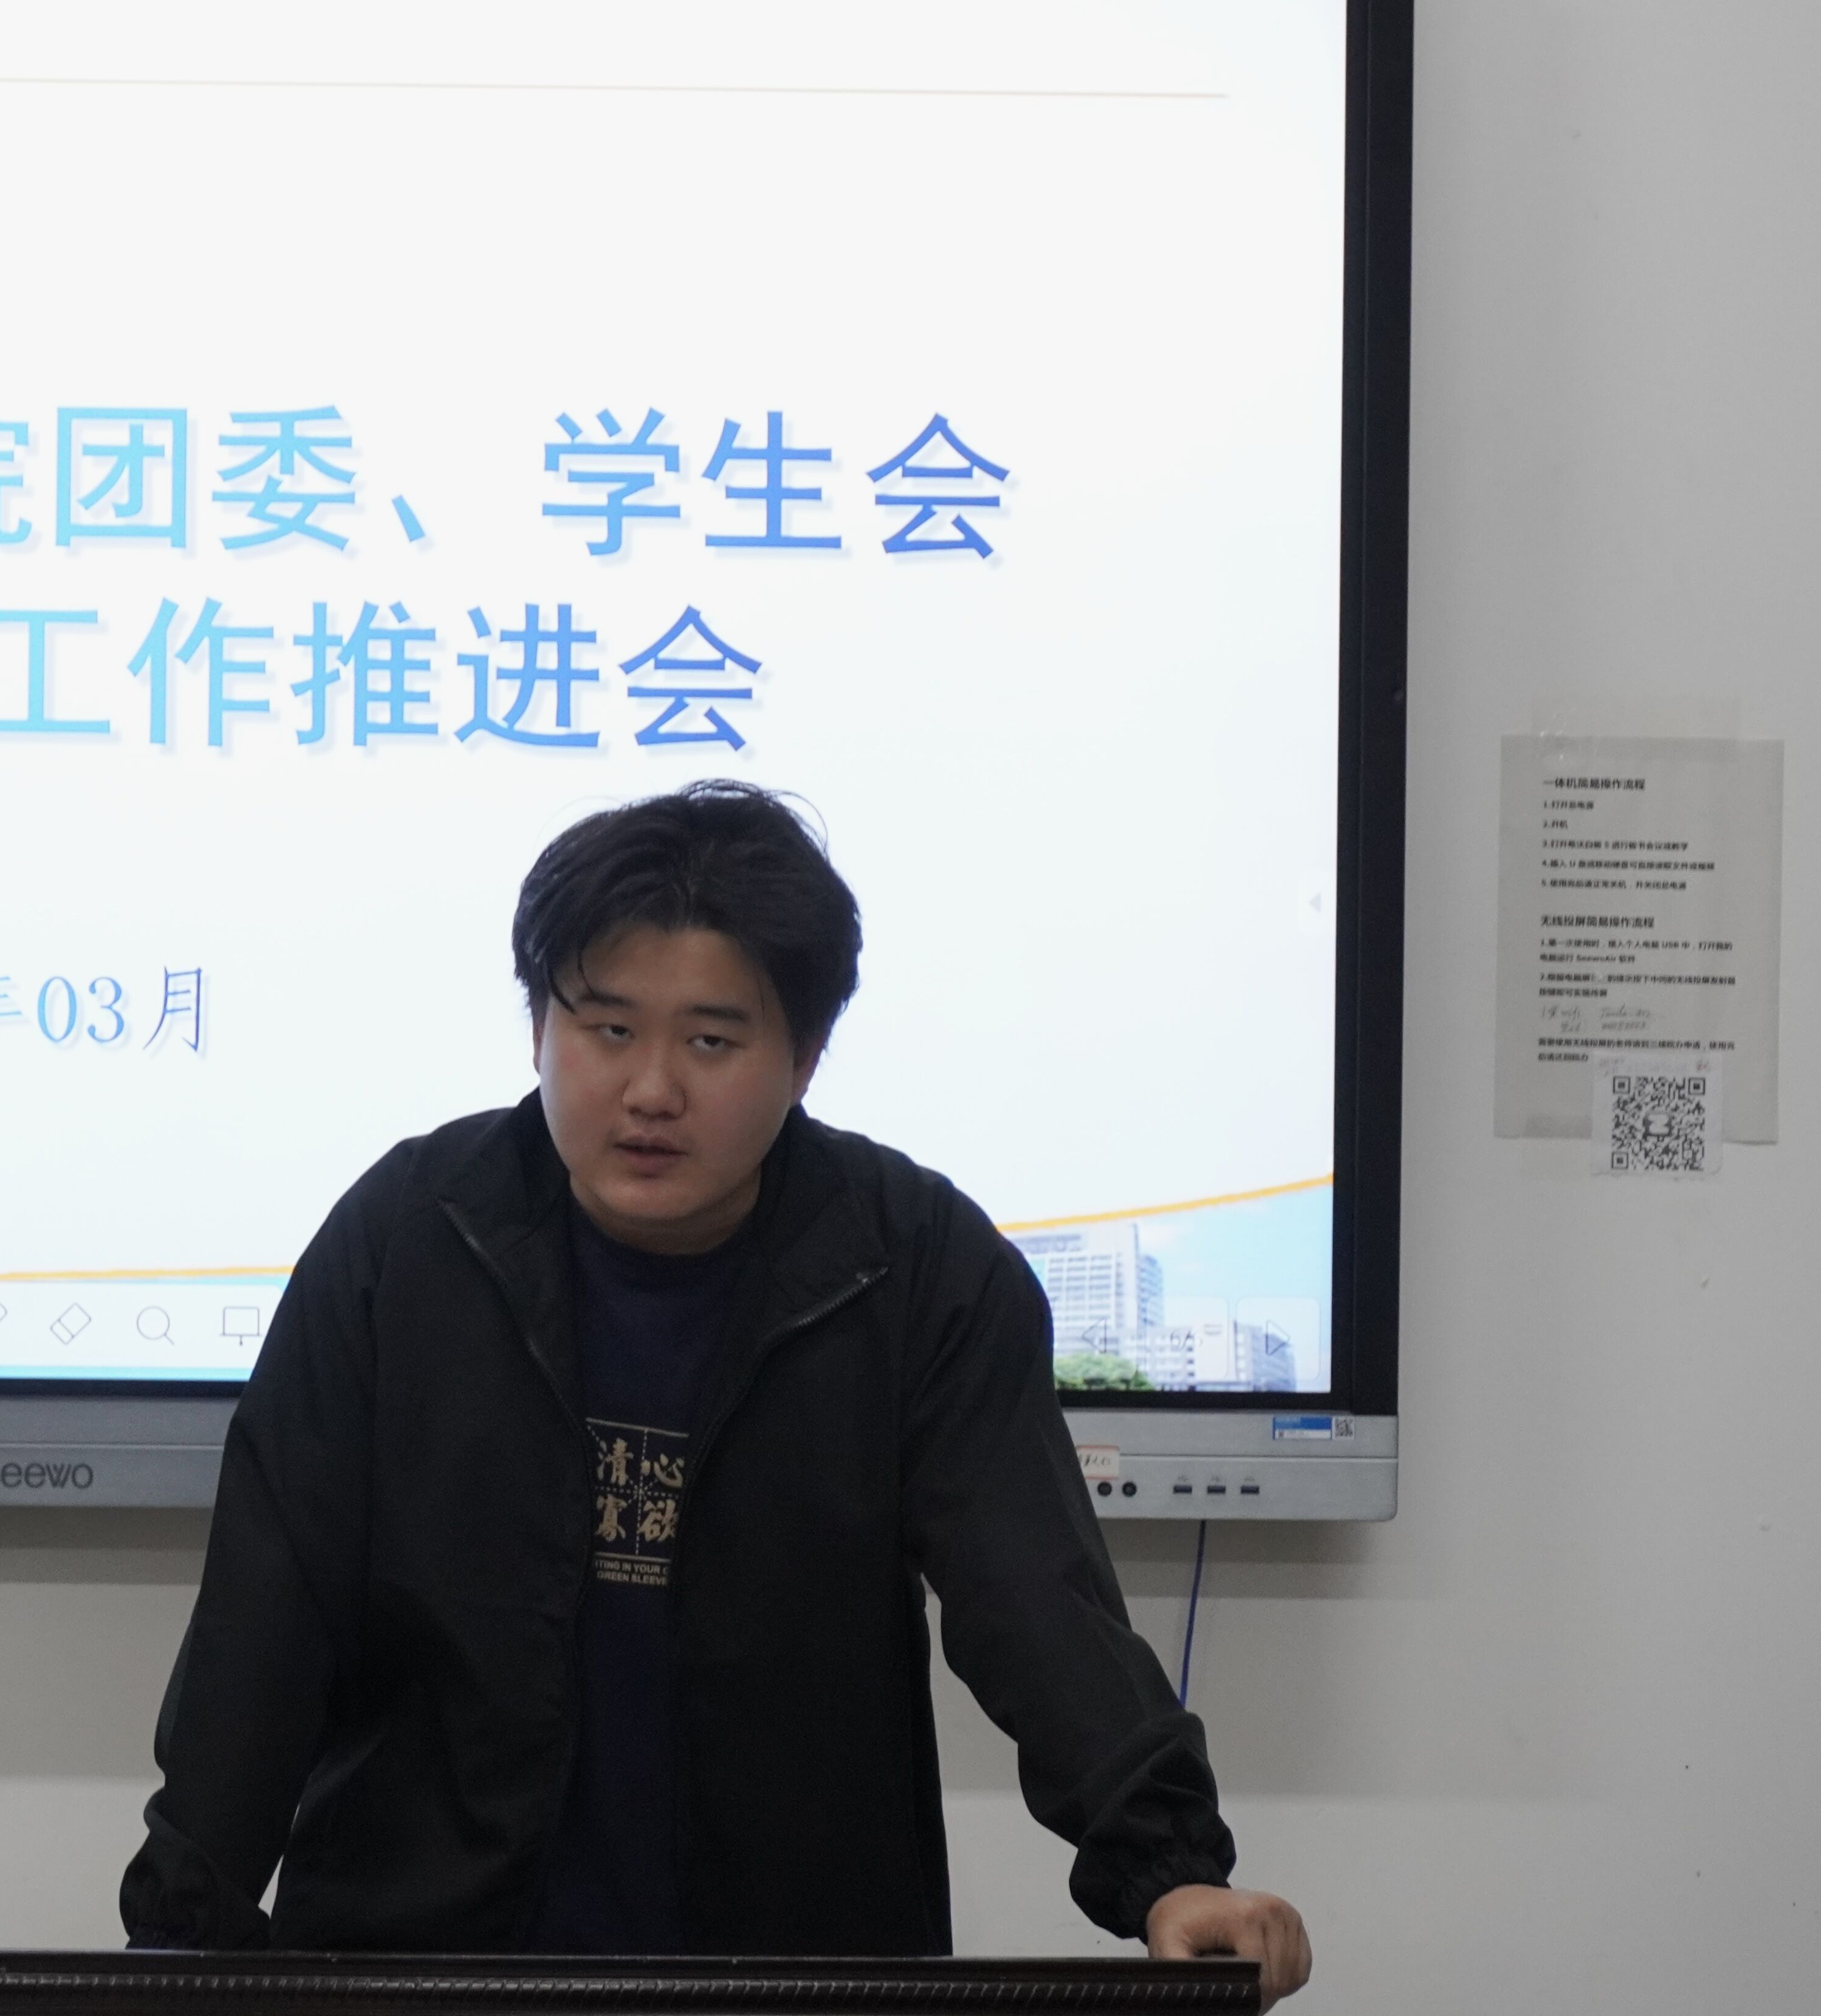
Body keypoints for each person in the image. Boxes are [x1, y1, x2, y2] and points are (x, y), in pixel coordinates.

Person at [119, 783, 1310, 2005]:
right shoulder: (411, 1240)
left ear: (804, 1056)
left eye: (710, 1041)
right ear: (537, 1028)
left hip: (799, 1968)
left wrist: (1169, 1873)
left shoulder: (913, 1268)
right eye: (606, 1027)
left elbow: (1033, 1596)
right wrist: (183, 1936)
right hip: (421, 1959)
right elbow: (271, 1608)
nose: (650, 1090)